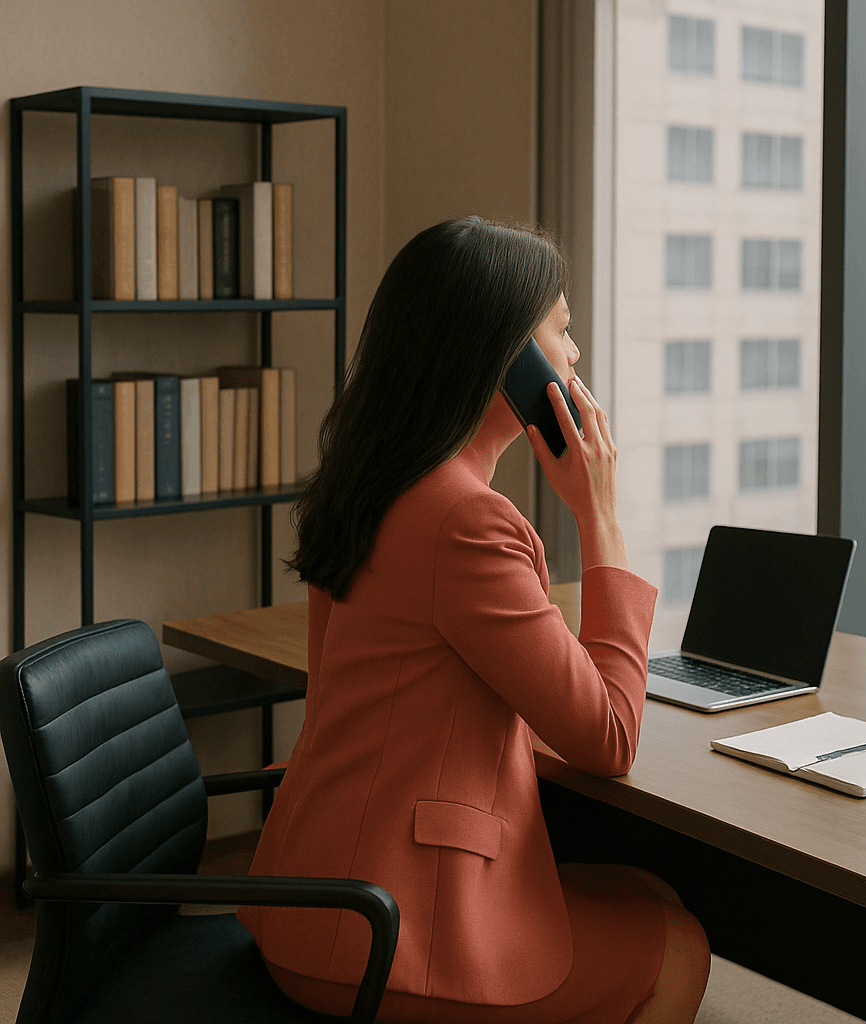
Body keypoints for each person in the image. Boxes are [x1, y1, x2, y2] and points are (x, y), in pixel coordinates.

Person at [237, 216, 710, 1023]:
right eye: (561, 331)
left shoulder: (370, 486)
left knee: (638, 889)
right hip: (386, 940)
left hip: (306, 901)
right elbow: (610, 738)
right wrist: (600, 518)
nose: (575, 356)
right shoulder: (468, 521)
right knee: (676, 940)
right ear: (506, 362)